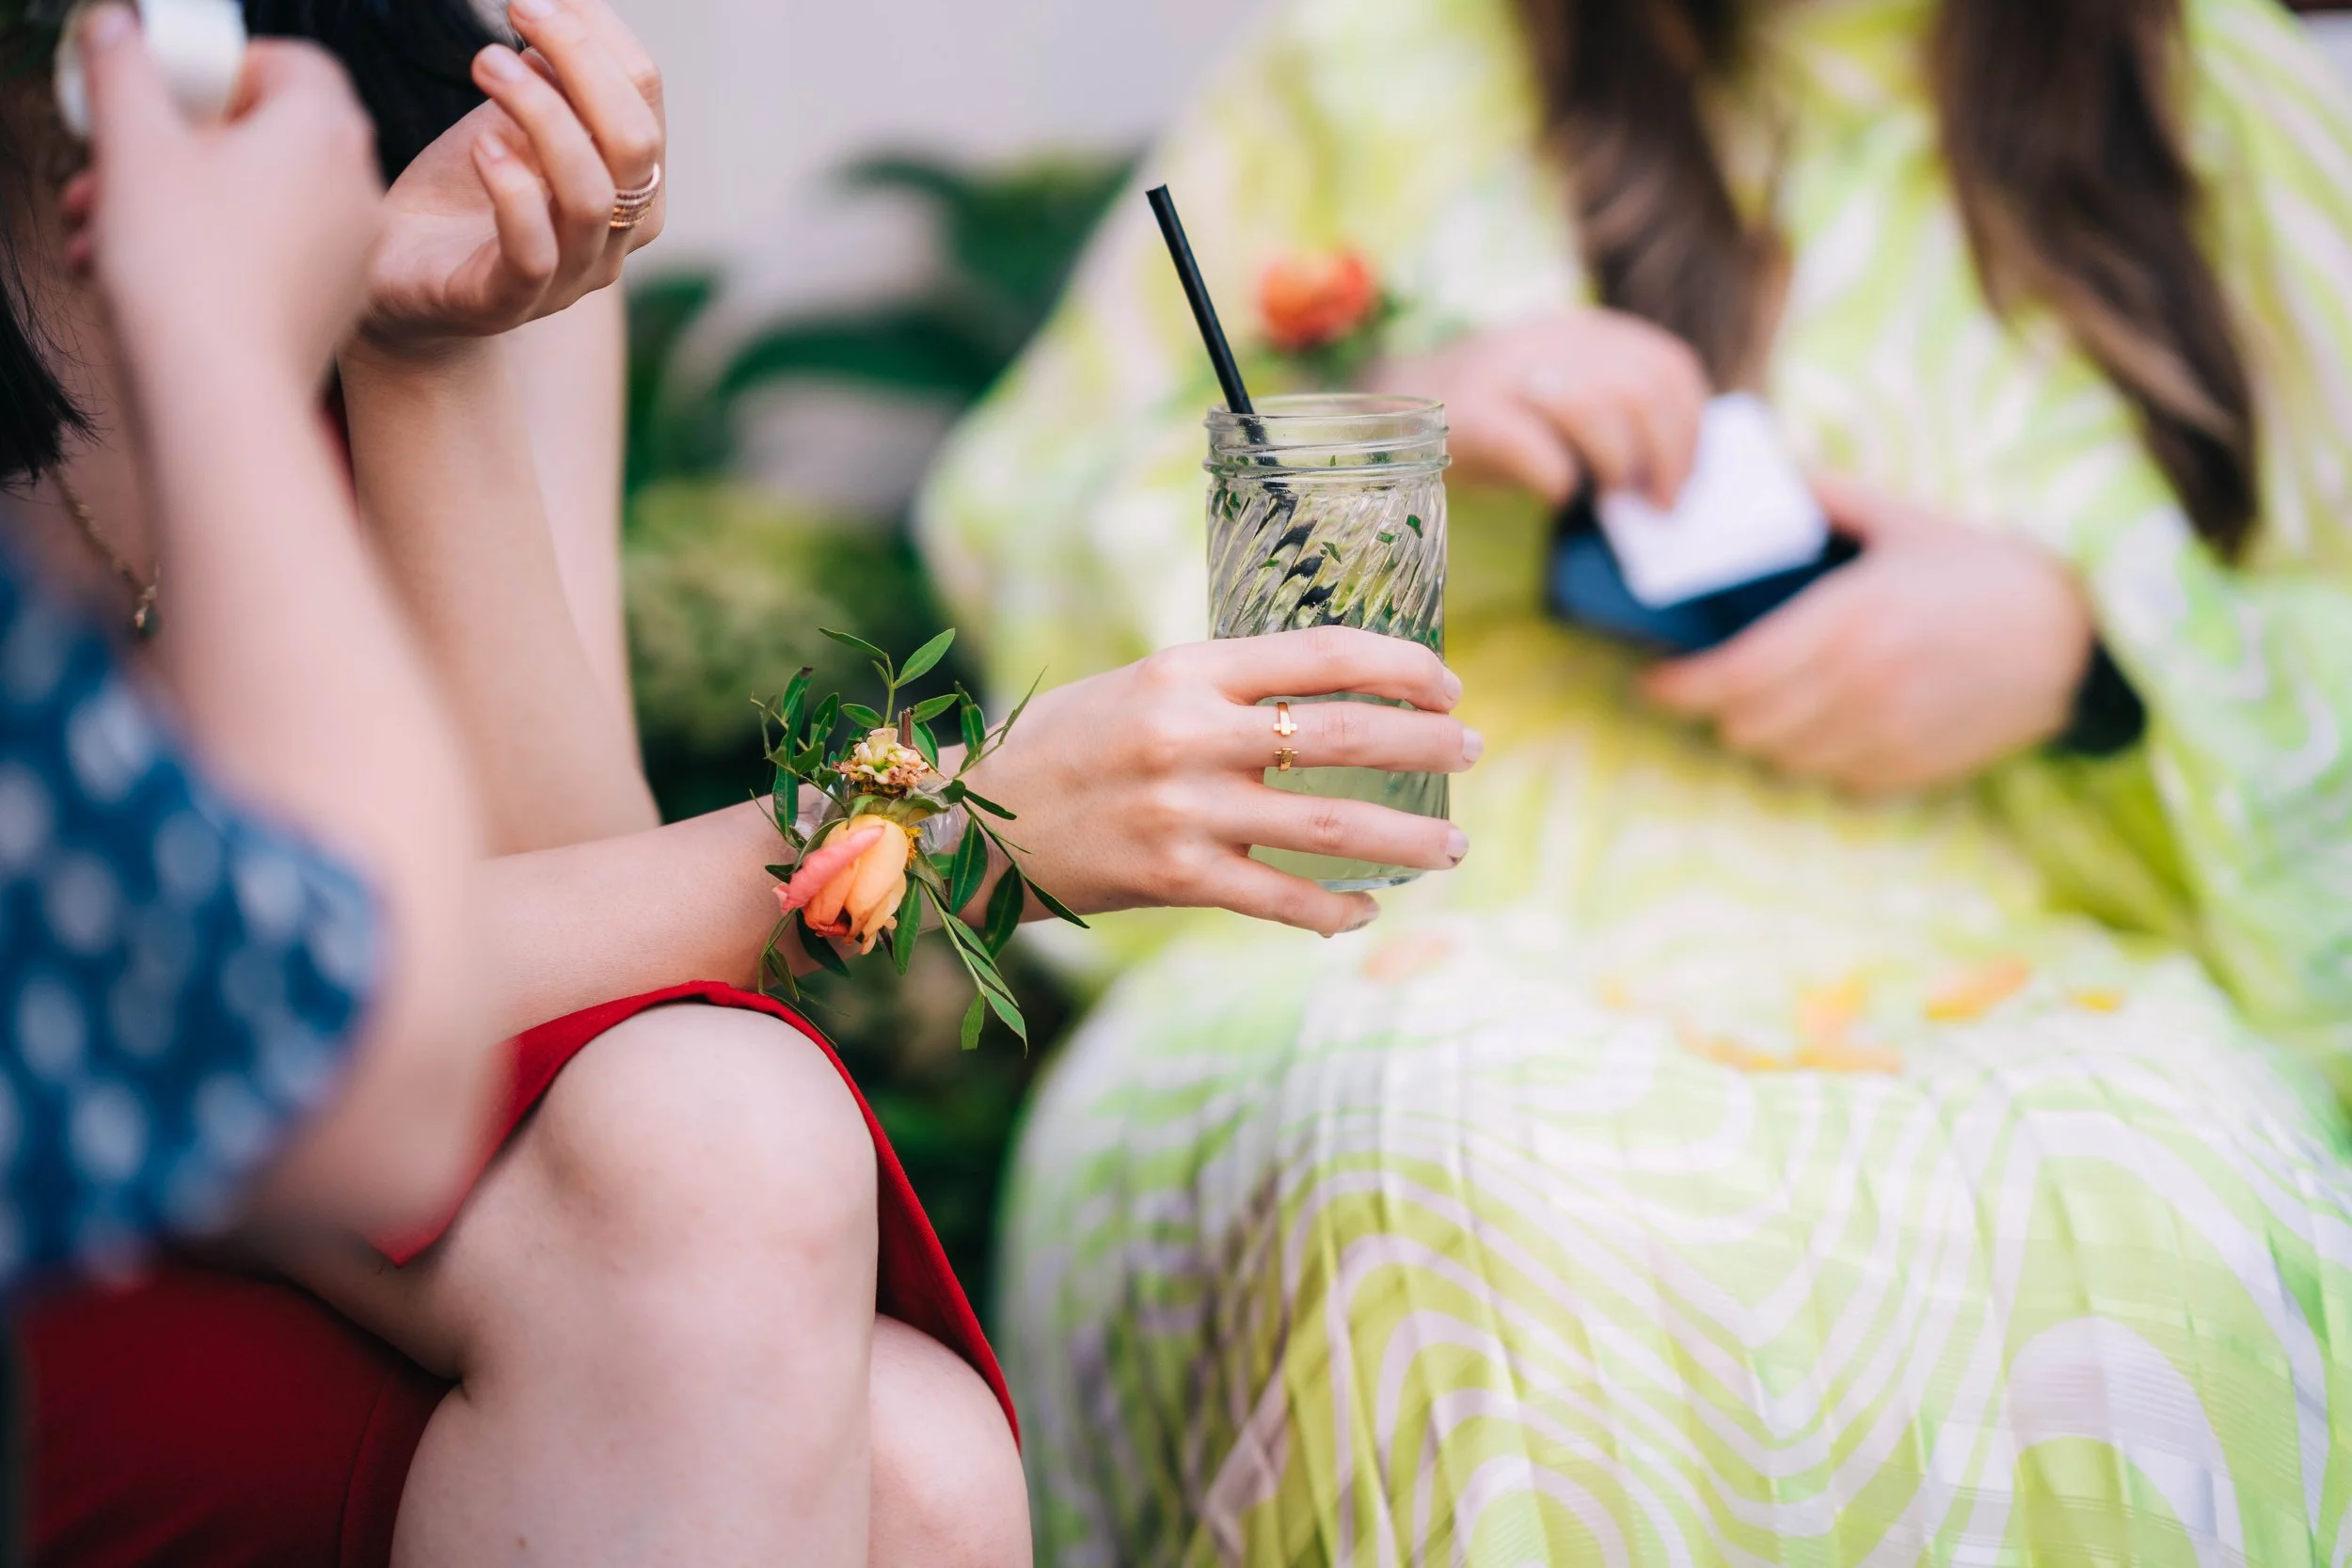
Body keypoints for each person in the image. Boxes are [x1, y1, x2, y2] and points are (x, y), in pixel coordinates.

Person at [4, 3, 1478, 1563]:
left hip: (353, 1145)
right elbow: (153, 997)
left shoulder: (449, 121)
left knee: (901, 1438)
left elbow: (583, 964)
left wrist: (423, 355)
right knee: (750, 1183)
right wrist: (943, 823)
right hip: (92, 1184)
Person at [918, 0, 2352, 1559]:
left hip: (2024, 927)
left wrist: (2099, 657)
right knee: (1460, 1167)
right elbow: (1031, 572)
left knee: (2168, 1185)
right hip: (1403, 900)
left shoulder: (2211, 90)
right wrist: (1399, 412)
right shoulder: (1370, 61)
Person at [0, 5, 490, 1293]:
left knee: (917, 1463)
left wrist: (413, 361)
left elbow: (564, 842)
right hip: (128, 1223)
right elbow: (341, 1050)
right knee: (721, 1143)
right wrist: (863, 833)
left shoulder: (446, 129)